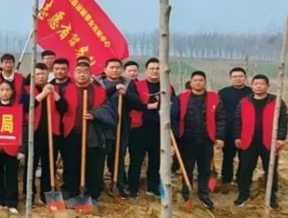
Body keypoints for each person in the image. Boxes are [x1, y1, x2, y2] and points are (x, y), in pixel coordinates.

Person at [58, 62, 116, 205]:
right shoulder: (66, 90)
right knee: (71, 165)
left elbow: (109, 111)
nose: (82, 74)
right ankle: (73, 194)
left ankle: (92, 196)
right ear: (73, 74)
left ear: (90, 74)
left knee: (94, 167)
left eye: (85, 71)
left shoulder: (99, 91)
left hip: (93, 135)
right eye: (79, 71)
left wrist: (95, 115)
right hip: (71, 133)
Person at [173, 70, 225, 209]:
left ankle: (204, 193)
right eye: (195, 80)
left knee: (205, 168)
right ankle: (186, 192)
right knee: (187, 167)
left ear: (205, 82)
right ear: (190, 82)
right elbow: (174, 117)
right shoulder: (181, 98)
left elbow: (221, 119)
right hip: (186, 139)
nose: (198, 83)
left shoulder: (214, 98)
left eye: (201, 80)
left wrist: (220, 136)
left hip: (206, 139)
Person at [233, 75, 286, 209]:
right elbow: (237, 121)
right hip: (248, 141)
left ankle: (271, 197)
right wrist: (237, 137)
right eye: (256, 84)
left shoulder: (277, 101)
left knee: (271, 169)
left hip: (270, 141)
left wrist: (280, 138)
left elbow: (283, 122)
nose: (259, 86)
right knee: (245, 169)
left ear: (267, 86)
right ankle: (243, 195)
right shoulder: (244, 101)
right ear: (252, 86)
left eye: (262, 84)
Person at [127, 58, 173, 198]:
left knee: (156, 160)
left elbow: (173, 106)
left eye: (157, 68)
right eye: (152, 68)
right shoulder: (136, 86)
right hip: (139, 127)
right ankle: (133, 188)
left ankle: (153, 187)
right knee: (136, 160)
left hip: (159, 129)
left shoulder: (168, 87)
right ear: (146, 71)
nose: (155, 71)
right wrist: (148, 105)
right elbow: (132, 102)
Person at [96, 58, 140, 197]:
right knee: (100, 154)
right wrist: (114, 89)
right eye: (112, 67)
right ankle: (98, 184)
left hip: (122, 124)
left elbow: (138, 104)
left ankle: (119, 183)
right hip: (102, 124)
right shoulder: (97, 83)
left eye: (117, 67)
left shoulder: (129, 84)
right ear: (105, 69)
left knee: (118, 155)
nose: (115, 70)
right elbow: (98, 98)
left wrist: (126, 94)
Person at [0, 81, 24, 213]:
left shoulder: (18, 108)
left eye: (7, 89)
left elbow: (24, 129)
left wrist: (22, 149)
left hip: (12, 148)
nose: (4, 92)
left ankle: (12, 203)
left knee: (12, 176)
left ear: (12, 92)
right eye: (2, 89)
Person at [218, 67, 251, 185]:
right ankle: (226, 179)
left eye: (240, 76)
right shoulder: (223, 92)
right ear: (230, 78)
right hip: (228, 130)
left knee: (245, 157)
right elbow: (218, 112)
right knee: (228, 156)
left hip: (246, 130)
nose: (238, 79)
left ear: (245, 78)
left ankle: (241, 179)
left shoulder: (251, 93)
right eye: (235, 77)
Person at [27, 63, 53, 204]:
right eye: (37, 74)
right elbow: (27, 106)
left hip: (50, 132)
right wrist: (43, 94)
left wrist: (51, 92)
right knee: (31, 164)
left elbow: (63, 107)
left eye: (43, 74)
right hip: (33, 133)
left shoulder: (53, 88)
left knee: (48, 165)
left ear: (48, 75)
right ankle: (29, 194)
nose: (40, 77)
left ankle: (46, 194)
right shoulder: (27, 89)